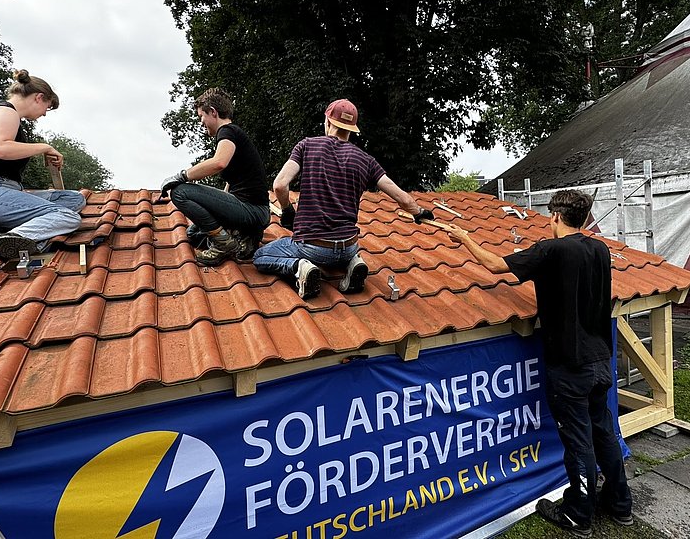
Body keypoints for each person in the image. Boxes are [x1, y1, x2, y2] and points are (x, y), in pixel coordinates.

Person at [447, 189, 632, 537]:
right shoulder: (600, 249)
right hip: (600, 360)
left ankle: (578, 514)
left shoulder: (551, 250)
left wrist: (465, 238)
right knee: (604, 432)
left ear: (558, 217)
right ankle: (620, 505)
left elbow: (493, 264)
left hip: (570, 367)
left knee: (578, 441)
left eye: (551, 217)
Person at [253, 98, 432, 299]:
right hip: (349, 246)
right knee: (343, 251)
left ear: (327, 122)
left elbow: (279, 185)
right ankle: (352, 263)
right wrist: (419, 212)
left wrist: (287, 210)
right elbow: (402, 198)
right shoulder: (366, 160)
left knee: (261, 256)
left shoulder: (307, 146)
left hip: (313, 247)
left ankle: (299, 267)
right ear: (351, 129)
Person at [0, 70, 86, 261]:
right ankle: (11, 239)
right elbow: (0, 148)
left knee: (73, 200)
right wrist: (44, 147)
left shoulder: (8, 115)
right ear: (39, 98)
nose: (44, 114)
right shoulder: (6, 112)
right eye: (47, 107)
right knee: (68, 217)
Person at [160, 87, 270, 266]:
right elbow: (231, 183)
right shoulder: (233, 135)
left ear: (213, 112)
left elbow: (219, 162)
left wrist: (181, 176)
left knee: (180, 192)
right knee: (194, 234)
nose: (201, 122)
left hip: (253, 211)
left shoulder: (227, 131)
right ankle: (244, 237)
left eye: (201, 116)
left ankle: (224, 244)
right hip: (252, 212)